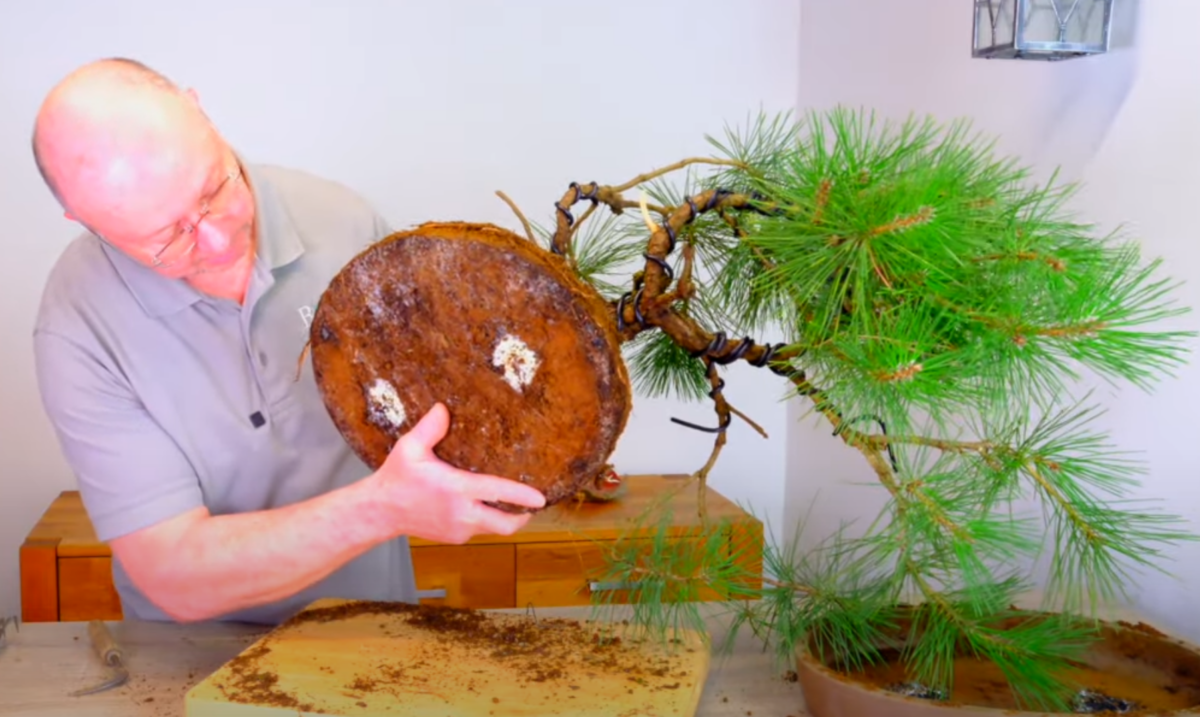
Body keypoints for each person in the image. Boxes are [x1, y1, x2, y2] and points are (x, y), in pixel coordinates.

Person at [29, 57, 546, 625]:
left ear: (201, 111)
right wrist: (381, 510)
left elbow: (442, 391)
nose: (223, 242)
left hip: (373, 626)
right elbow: (173, 573)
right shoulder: (78, 323)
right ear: (82, 220)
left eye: (213, 190)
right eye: (168, 237)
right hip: (191, 663)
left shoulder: (341, 221)